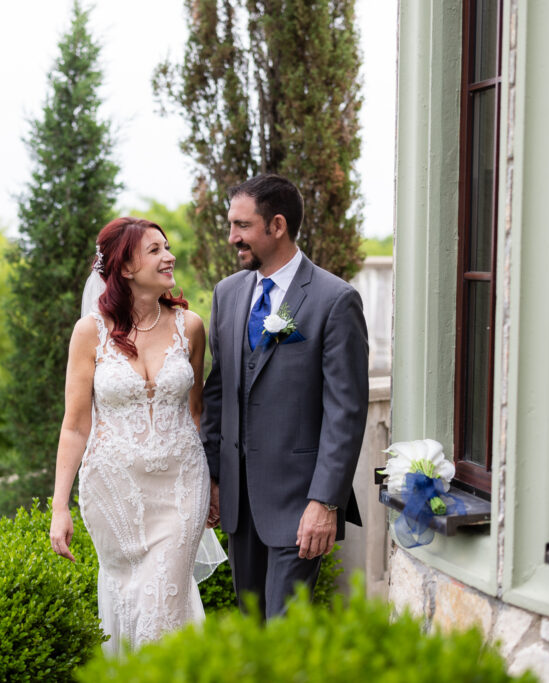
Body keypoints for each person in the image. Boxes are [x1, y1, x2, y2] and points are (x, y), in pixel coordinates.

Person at [49, 217, 224, 653]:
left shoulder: (192, 327)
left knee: (162, 601)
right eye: (155, 250)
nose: (169, 257)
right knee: (129, 601)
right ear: (125, 267)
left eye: (167, 247)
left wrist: (214, 482)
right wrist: (59, 507)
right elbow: (74, 425)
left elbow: (197, 411)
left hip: (182, 487)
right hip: (113, 493)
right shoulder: (89, 333)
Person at [200, 174, 369, 618]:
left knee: (284, 633)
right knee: (253, 631)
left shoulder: (335, 300)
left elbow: (345, 412)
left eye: (242, 226)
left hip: (300, 505)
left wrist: (325, 501)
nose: (232, 237)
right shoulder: (228, 294)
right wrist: (215, 478)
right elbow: (218, 393)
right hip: (240, 504)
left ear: (277, 226)